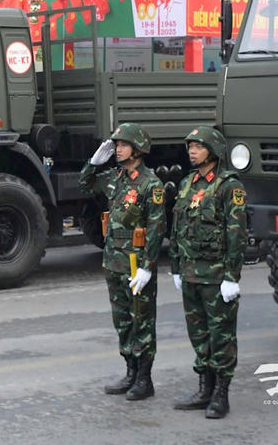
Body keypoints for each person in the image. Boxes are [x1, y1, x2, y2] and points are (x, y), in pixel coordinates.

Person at [78, 123, 166, 400]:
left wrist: (147, 266)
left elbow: (156, 228)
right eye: (116, 145)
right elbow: (85, 184)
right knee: (123, 321)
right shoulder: (117, 178)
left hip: (134, 261)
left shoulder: (150, 184)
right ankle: (130, 371)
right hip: (113, 259)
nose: (117, 149)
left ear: (138, 150)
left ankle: (144, 378)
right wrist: (93, 163)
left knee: (142, 320)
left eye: (123, 145)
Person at [169, 125, 247, 419]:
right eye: (190, 146)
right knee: (198, 334)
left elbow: (236, 233)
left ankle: (221, 394)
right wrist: (176, 267)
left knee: (221, 336)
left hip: (216, 276)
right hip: (190, 274)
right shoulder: (188, 183)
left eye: (198, 146)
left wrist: (232, 276)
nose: (192, 151)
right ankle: (204, 388)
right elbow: (178, 228)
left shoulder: (229, 186)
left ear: (213, 151)